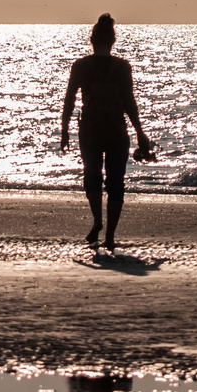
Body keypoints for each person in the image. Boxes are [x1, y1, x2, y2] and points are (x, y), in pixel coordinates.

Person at [61, 13, 150, 253]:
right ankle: (109, 235)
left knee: (91, 176)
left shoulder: (80, 66)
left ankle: (97, 220)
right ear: (113, 41)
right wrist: (139, 131)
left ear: (92, 40)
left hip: (89, 128)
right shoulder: (122, 67)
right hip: (116, 129)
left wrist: (64, 130)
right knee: (115, 182)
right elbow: (129, 101)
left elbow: (70, 99)